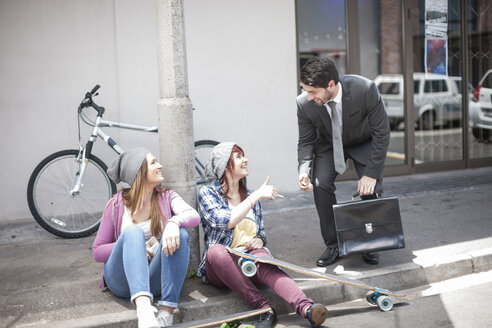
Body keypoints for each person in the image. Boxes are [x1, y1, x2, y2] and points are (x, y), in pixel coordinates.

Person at [197, 142, 328, 328]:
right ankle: (263, 309)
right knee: (216, 252)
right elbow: (225, 221)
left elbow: (261, 231)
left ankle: (307, 308)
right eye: (239, 156)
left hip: (249, 261)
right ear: (225, 165)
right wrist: (256, 196)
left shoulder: (250, 195)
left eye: (244, 155)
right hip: (221, 266)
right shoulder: (208, 193)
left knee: (265, 260)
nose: (246, 160)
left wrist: (259, 240)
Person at [297, 57, 390, 267]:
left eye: (313, 92)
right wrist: (304, 170)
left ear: (331, 84)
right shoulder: (304, 104)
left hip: (362, 141)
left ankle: (371, 242)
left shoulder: (365, 89)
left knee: (372, 189)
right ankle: (333, 244)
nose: (309, 97)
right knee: (320, 186)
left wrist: (371, 174)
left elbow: (382, 133)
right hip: (328, 146)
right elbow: (305, 141)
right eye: (306, 91)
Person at [92, 148, 200, 328]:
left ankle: (166, 313)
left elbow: (193, 216)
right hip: (122, 280)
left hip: (155, 279)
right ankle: (144, 311)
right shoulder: (116, 204)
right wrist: (134, 246)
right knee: (133, 233)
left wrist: (173, 222)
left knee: (180, 233)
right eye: (153, 163)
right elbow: (97, 252)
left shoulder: (166, 197)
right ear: (139, 172)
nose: (160, 166)